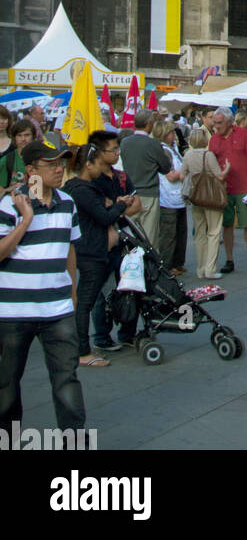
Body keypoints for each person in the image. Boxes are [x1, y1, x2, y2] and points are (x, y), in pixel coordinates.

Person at [0, 140, 86, 437]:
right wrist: (25, 221)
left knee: (67, 379)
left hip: (58, 308)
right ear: (31, 170)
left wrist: (72, 291)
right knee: (7, 383)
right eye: (52, 165)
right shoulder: (8, 204)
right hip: (13, 311)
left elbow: (69, 250)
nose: (60, 170)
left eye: (61, 164)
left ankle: (73, 440)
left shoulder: (67, 202)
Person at [63, 132, 142, 367]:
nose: (101, 169)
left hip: (90, 249)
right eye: (98, 163)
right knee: (85, 302)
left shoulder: (78, 188)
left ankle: (85, 347)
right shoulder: (83, 190)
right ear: (89, 164)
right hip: (91, 251)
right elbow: (103, 215)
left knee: (88, 299)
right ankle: (83, 350)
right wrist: (120, 204)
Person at [209, 107, 247, 273]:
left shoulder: (243, 134)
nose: (216, 126)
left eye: (219, 123)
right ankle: (229, 259)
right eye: (214, 123)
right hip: (224, 188)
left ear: (230, 122)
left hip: (244, 186)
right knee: (227, 224)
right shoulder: (214, 139)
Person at [118, 109, 172, 247]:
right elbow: (165, 167)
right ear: (149, 124)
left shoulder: (125, 142)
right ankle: (148, 267)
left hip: (130, 193)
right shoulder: (152, 144)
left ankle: (131, 264)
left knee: (130, 236)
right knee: (150, 238)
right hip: (149, 193)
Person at [181, 128, 228, 279]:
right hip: (211, 197)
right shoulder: (208, 155)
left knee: (199, 232)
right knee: (213, 232)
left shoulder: (187, 155)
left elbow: (182, 175)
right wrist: (227, 168)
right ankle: (210, 269)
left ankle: (200, 268)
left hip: (196, 197)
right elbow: (219, 176)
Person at [152, 118, 187, 274]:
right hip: (169, 197)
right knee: (169, 234)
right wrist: (185, 172)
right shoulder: (163, 151)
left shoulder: (173, 148)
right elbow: (171, 175)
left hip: (178, 197)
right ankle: (167, 265)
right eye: (172, 132)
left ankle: (177, 262)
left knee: (180, 232)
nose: (174, 135)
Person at [0, 119, 34, 197]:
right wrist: (10, 189)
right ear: (14, 138)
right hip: (12, 202)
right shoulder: (6, 160)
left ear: (33, 136)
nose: (23, 139)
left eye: (27, 135)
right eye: (19, 135)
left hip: (36, 203)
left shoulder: (41, 160)